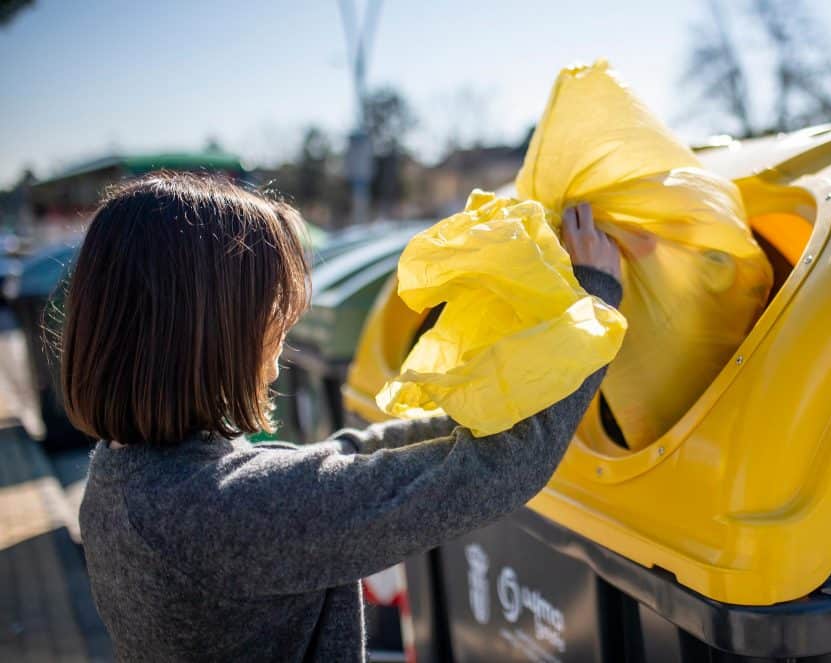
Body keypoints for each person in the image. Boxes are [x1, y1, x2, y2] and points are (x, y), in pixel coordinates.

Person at [66, 172, 623, 662]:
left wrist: (470, 411)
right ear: (211, 333)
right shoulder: (225, 515)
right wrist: (595, 297)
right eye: (272, 314)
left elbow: (343, 461)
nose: (280, 343)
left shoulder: (123, 478)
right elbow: (499, 470)